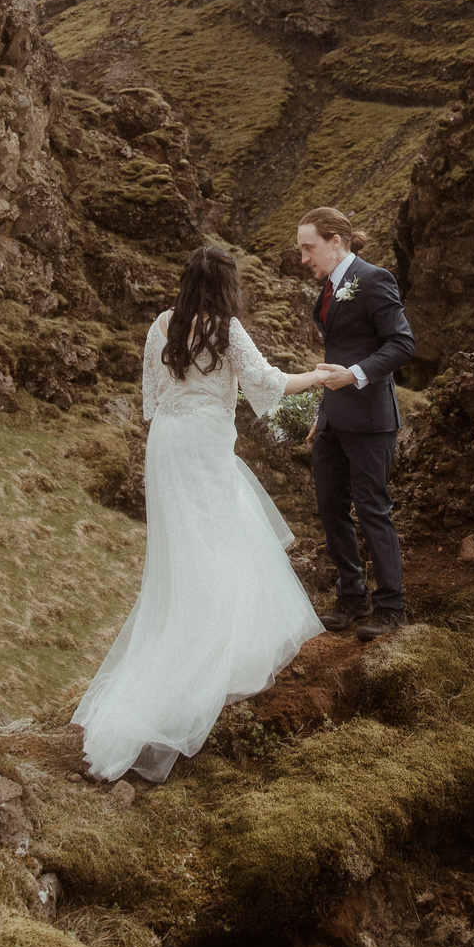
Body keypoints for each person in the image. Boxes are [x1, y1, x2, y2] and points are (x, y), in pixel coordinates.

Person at [72, 245, 346, 784]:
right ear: (226, 286)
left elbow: (152, 398)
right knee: (220, 537)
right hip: (203, 442)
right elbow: (267, 384)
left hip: (166, 443)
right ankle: (214, 645)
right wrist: (318, 377)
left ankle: (194, 631)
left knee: (184, 546)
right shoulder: (226, 328)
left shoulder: (161, 326)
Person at [296, 206, 416, 642]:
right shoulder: (329, 288)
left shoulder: (374, 278)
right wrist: (322, 413)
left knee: (371, 508)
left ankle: (391, 607)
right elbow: (334, 356)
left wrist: (356, 374)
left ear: (336, 242)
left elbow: (402, 344)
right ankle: (351, 598)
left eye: (309, 248)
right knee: (330, 508)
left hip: (370, 419)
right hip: (333, 420)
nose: (304, 258)